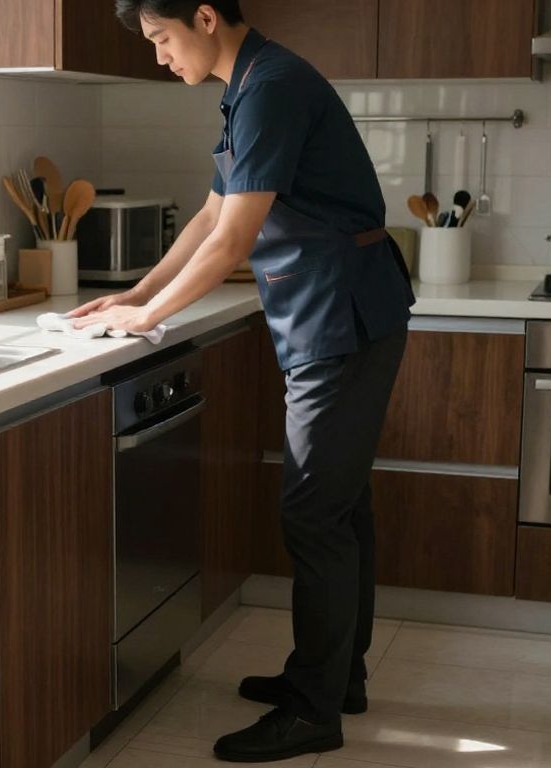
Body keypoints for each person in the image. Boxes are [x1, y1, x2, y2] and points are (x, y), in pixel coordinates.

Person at [67, 1, 416, 762]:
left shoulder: (273, 86)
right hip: (331, 314)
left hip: (342, 317)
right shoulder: (248, 85)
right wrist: (134, 293)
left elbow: (231, 241)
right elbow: (209, 213)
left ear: (204, 16)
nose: (159, 56)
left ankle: (314, 712)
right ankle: (332, 678)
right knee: (341, 506)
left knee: (315, 514)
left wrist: (152, 313)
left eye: (162, 38)